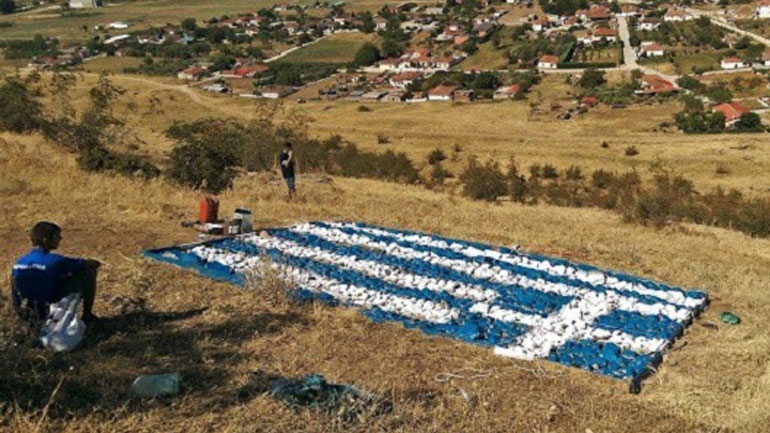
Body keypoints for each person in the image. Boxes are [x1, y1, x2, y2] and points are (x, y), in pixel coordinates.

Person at [11, 222, 101, 326]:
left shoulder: (20, 261)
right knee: (88, 271)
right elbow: (89, 263)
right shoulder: (56, 261)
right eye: (57, 236)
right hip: (47, 312)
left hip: (25, 312)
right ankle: (87, 316)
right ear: (46, 240)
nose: (60, 238)